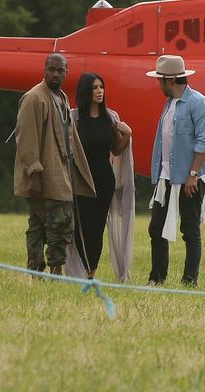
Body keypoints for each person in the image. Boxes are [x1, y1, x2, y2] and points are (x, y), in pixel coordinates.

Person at [13, 53, 95, 276]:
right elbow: (26, 139)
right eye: (52, 69)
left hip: (60, 173)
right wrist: (34, 173)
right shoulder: (34, 98)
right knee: (56, 224)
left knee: (49, 225)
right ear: (44, 70)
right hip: (43, 175)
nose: (56, 74)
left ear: (67, 73)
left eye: (61, 70)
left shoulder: (61, 98)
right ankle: (43, 271)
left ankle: (50, 272)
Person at [145, 55, 205, 287]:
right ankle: (157, 278)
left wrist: (193, 175)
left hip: (189, 178)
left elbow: (204, 142)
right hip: (166, 177)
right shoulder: (169, 104)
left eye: (160, 80)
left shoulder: (198, 102)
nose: (158, 84)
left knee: (190, 230)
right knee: (156, 228)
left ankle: (189, 280)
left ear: (171, 79)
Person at [66, 72, 134, 280]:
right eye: (95, 88)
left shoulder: (110, 117)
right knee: (79, 228)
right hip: (81, 181)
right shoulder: (74, 118)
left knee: (96, 229)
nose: (100, 91)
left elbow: (115, 150)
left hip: (104, 182)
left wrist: (128, 134)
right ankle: (75, 270)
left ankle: (90, 273)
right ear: (86, 91)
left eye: (101, 87)